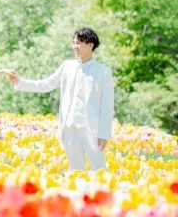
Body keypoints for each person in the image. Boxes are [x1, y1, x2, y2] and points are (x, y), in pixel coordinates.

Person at [9, 27, 114, 171]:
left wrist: (104, 134)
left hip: (92, 129)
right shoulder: (67, 66)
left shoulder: (103, 72)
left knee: (99, 168)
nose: (75, 46)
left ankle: (106, 193)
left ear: (90, 45)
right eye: (74, 42)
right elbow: (46, 84)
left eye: (79, 43)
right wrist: (20, 82)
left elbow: (107, 106)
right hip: (69, 126)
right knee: (76, 169)